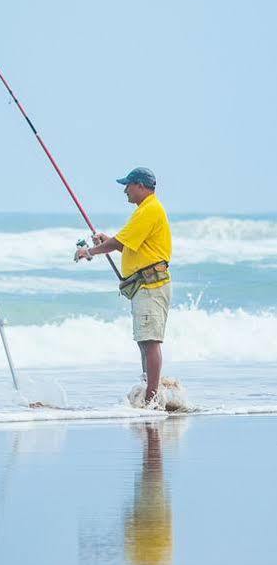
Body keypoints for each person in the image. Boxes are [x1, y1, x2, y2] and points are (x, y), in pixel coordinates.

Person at [74, 167, 172, 406]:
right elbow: (126, 245)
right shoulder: (145, 210)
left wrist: (90, 251)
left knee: (150, 341)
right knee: (144, 340)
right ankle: (151, 391)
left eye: (127, 185)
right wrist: (108, 242)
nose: (125, 190)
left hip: (151, 287)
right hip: (144, 287)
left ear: (140, 185)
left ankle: (151, 397)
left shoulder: (149, 210)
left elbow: (120, 242)